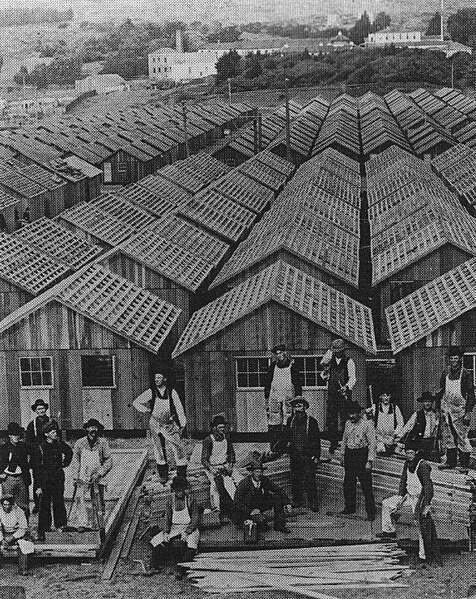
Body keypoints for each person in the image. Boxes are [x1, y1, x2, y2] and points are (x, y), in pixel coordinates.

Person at [377, 440, 439, 564]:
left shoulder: (422, 465)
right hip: (408, 496)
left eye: (411, 453)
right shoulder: (407, 463)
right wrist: (401, 496)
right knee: (387, 504)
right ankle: (389, 531)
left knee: (420, 525)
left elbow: (428, 486)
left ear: (416, 453)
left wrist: (426, 504)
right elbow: (403, 480)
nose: (409, 455)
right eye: (407, 453)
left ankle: (423, 555)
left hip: (419, 498)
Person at [133, 366, 187, 484]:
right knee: (158, 449)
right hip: (155, 423)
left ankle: (181, 474)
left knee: (178, 447)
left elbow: (179, 408)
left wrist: (182, 424)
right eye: (155, 378)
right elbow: (136, 402)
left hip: (168, 424)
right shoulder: (151, 391)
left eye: (159, 378)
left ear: (165, 379)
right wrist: (146, 410)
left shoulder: (172, 391)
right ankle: (163, 474)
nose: (157, 380)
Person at [273, 396, 321, 511]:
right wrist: (282, 447)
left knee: (310, 479)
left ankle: (313, 502)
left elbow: (316, 440)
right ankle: (297, 500)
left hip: (307, 455)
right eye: (295, 406)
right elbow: (286, 437)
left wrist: (316, 456)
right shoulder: (290, 421)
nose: (297, 409)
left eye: (300, 406)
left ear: (305, 407)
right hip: (295, 455)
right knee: (295, 479)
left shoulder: (312, 421)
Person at [149, 476, 202, 579]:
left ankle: (181, 569)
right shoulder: (170, 500)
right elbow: (167, 518)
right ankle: (154, 566)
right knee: (156, 541)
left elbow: (195, 518)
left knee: (191, 545)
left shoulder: (191, 499)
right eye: (178, 490)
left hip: (189, 527)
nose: (180, 493)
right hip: (175, 527)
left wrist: (188, 531)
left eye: (182, 490)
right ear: (174, 490)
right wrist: (166, 532)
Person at [33, 421, 73, 542]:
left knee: (59, 503)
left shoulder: (60, 444)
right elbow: (36, 469)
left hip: (58, 479)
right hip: (45, 481)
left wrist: (64, 463)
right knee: (44, 505)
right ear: (46, 434)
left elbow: (69, 452)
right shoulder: (40, 448)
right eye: (53, 432)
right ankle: (44, 530)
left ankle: (61, 526)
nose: (55, 433)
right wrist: (38, 486)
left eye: (56, 431)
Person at [437, 346, 475, 470]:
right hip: (447, 408)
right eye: (451, 358)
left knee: (462, 436)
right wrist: (439, 408)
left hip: (460, 410)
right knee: (448, 436)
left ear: (460, 359)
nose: (453, 360)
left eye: (456, 358)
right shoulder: (445, 372)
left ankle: (464, 464)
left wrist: (468, 412)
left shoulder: (466, 373)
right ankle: (450, 462)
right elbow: (441, 390)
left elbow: (471, 395)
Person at [72, 419, 112, 533]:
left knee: (98, 500)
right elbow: (76, 462)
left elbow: (108, 461)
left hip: (97, 476)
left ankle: (98, 524)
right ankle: (82, 523)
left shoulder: (102, 442)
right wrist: (76, 477)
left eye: (95, 427)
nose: (93, 430)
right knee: (80, 498)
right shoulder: (80, 443)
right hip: (83, 476)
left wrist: (99, 473)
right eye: (90, 427)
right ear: (86, 429)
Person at [233, 458, 292, 534]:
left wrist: (287, 503)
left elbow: (278, 489)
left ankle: (279, 525)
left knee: (277, 498)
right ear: (251, 472)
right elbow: (237, 502)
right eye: (256, 472)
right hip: (247, 509)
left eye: (261, 472)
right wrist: (250, 511)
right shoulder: (244, 483)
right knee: (262, 524)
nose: (259, 474)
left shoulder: (264, 479)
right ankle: (256, 523)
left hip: (260, 504)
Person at [201, 414, 242, 521]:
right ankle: (216, 509)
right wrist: (211, 468)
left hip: (224, 464)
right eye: (219, 428)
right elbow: (204, 460)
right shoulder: (208, 440)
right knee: (214, 485)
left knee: (238, 480)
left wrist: (231, 464)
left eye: (223, 428)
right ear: (214, 428)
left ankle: (239, 504)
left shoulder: (227, 437)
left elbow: (231, 453)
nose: (222, 430)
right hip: (213, 466)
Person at [340, 401, 376, 521]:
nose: (351, 416)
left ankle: (371, 512)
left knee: (366, 486)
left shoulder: (367, 424)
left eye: (354, 413)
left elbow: (372, 444)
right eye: (350, 413)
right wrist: (342, 455)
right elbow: (344, 439)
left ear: (360, 413)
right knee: (348, 483)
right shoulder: (347, 423)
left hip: (361, 455)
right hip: (350, 455)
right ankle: (350, 507)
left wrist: (369, 461)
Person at [320, 338, 357, 454]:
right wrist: (325, 375)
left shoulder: (349, 361)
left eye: (339, 351)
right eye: (335, 351)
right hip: (332, 394)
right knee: (331, 418)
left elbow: (353, 378)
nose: (337, 353)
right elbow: (323, 372)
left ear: (343, 350)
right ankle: (333, 441)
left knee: (345, 418)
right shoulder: (329, 361)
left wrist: (346, 387)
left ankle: (346, 441)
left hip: (344, 394)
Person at [264, 344, 302, 448]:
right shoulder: (273, 366)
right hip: (275, 396)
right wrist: (267, 397)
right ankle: (275, 445)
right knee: (274, 419)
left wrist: (298, 397)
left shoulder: (292, 366)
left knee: (288, 418)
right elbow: (267, 382)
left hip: (288, 397)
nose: (279, 355)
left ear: (285, 353)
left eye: (280, 352)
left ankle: (288, 444)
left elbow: (298, 383)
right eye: (277, 354)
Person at [25, 399, 58, 514]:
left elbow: (57, 438)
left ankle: (53, 501)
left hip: (51, 454)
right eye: (38, 409)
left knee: (53, 478)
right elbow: (28, 441)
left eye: (42, 408)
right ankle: (38, 503)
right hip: (37, 455)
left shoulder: (52, 422)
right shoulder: (31, 425)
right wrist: (34, 450)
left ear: (46, 409)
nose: (41, 410)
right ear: (35, 411)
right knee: (38, 478)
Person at [397, 392, 440, 462]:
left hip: (433, 444)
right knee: (420, 464)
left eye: (429, 401)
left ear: (432, 402)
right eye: (425, 401)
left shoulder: (436, 414)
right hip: (421, 443)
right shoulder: (417, 414)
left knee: (434, 465)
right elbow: (407, 427)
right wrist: (398, 437)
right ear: (422, 402)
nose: (427, 403)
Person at [0, 423, 32, 518]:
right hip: (8, 479)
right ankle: (8, 526)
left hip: (22, 478)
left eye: (18, 435)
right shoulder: (3, 448)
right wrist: (1, 473)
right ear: (9, 435)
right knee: (7, 503)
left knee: (23, 504)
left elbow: (36, 454)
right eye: (14, 434)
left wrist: (30, 465)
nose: (16, 437)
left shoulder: (24, 446)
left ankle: (24, 527)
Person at [0, 494, 32, 575]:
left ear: (12, 504)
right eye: (5, 505)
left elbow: (23, 528)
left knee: (25, 544)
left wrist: (12, 537)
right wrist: (2, 539)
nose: (7, 507)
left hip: (17, 533)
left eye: (9, 504)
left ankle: (23, 568)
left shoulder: (19, 511)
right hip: (4, 533)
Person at [367, 392, 404, 456]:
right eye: (384, 395)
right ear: (380, 397)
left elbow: (401, 423)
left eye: (388, 395)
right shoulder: (375, 407)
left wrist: (395, 434)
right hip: (379, 439)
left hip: (391, 439)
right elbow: (368, 422)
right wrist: (368, 414)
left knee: (398, 453)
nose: (386, 398)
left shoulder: (395, 407)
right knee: (380, 452)